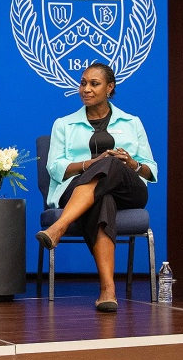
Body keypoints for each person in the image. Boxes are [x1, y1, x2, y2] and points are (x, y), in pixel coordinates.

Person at [37, 63, 157, 312]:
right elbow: (55, 167)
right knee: (103, 200)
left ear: (110, 87)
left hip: (130, 190)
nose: (86, 89)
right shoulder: (64, 124)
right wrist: (89, 164)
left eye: (94, 83)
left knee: (112, 162)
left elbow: (150, 170)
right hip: (77, 189)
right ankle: (108, 290)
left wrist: (131, 163)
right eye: (83, 83)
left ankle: (58, 227)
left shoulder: (132, 122)